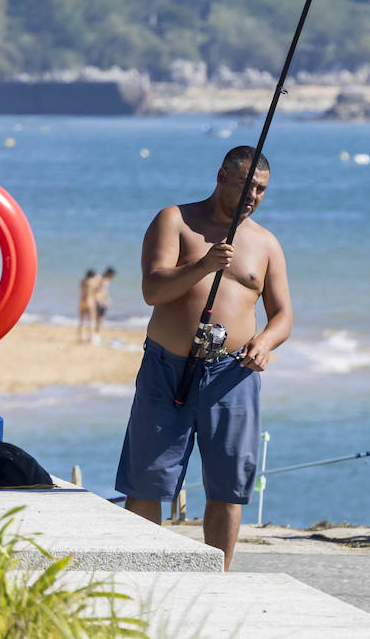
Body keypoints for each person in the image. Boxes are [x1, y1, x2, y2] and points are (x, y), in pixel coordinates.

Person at [115, 145, 292, 570]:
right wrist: (204, 265)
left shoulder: (266, 243)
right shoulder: (174, 220)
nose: (254, 197)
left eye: (262, 190)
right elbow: (152, 290)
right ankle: (146, 575)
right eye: (247, 186)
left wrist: (265, 343)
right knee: (147, 482)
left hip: (233, 374)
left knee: (228, 487)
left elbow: (283, 316)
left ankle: (217, 578)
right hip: (167, 370)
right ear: (221, 176)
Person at [77, 269, 99, 344]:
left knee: (82, 320)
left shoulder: (82, 281)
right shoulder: (92, 282)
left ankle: (81, 337)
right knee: (91, 320)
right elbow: (97, 290)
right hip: (90, 301)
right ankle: (91, 338)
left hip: (82, 300)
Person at [94, 266, 116, 333]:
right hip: (98, 300)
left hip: (104, 301)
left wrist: (108, 299)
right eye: (112, 275)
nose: (112, 277)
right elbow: (94, 289)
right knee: (98, 318)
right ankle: (96, 333)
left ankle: (97, 333)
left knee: (101, 318)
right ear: (109, 273)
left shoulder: (107, 280)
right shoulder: (99, 277)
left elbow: (104, 291)